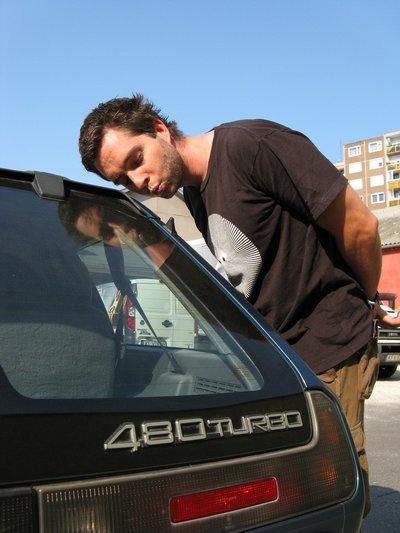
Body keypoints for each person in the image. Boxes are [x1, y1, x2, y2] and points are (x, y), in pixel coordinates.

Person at [79, 94, 392, 517]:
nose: (138, 181)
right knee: (294, 490)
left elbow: (360, 225)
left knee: (334, 490)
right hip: (280, 360)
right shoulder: (195, 194)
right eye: (123, 180)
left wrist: (368, 298)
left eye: (136, 160)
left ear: (158, 129)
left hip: (328, 345)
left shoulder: (251, 145)